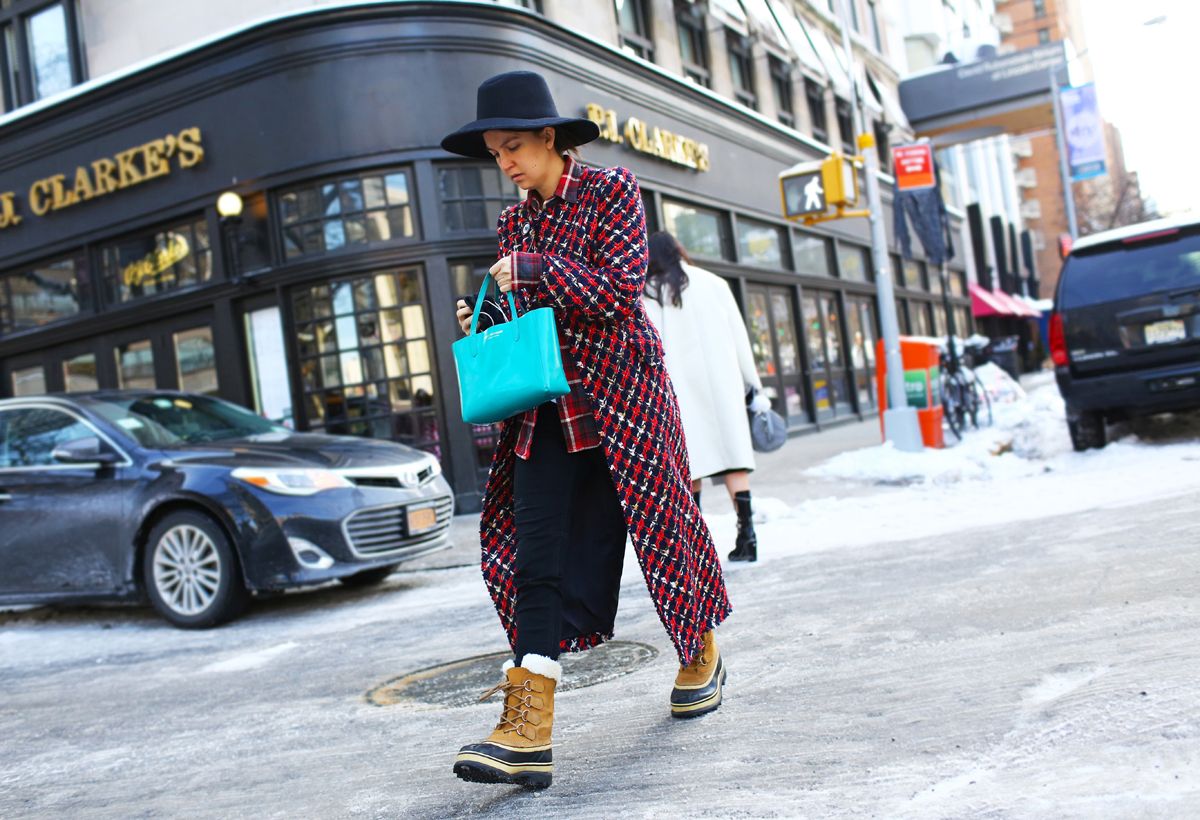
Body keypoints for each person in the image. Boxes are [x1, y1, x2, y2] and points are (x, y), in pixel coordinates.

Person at [440, 71, 731, 790]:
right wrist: (490, 317)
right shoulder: (515, 222)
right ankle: (527, 731)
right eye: (493, 151)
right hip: (548, 413)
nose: (504, 162)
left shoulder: (611, 191)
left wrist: (535, 270)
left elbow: (618, 290)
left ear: (549, 139)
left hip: (625, 402)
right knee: (532, 556)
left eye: (513, 146)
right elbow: (537, 321)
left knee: (664, 531)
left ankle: (701, 652)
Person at [643, 232, 771, 563]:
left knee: (691, 465)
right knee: (734, 459)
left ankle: (697, 547)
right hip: (723, 386)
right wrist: (753, 386)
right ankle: (748, 535)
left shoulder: (649, 293)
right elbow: (740, 339)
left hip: (680, 390)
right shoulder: (713, 282)